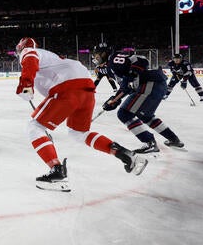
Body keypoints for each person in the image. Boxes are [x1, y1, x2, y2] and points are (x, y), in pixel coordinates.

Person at [14, 37, 147, 192]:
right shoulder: (50, 60)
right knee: (78, 133)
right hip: (86, 90)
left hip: (67, 89)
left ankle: (57, 172)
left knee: (34, 127)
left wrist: (26, 85)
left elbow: (30, 59)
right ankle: (126, 155)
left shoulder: (29, 52)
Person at [103, 50, 185, 153]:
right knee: (146, 116)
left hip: (150, 83)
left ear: (103, 54)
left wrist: (134, 71)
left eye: (97, 55)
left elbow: (141, 60)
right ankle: (174, 139)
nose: (94, 58)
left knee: (124, 113)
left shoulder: (113, 60)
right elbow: (127, 87)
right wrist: (115, 99)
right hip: (156, 84)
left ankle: (149, 143)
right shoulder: (113, 65)